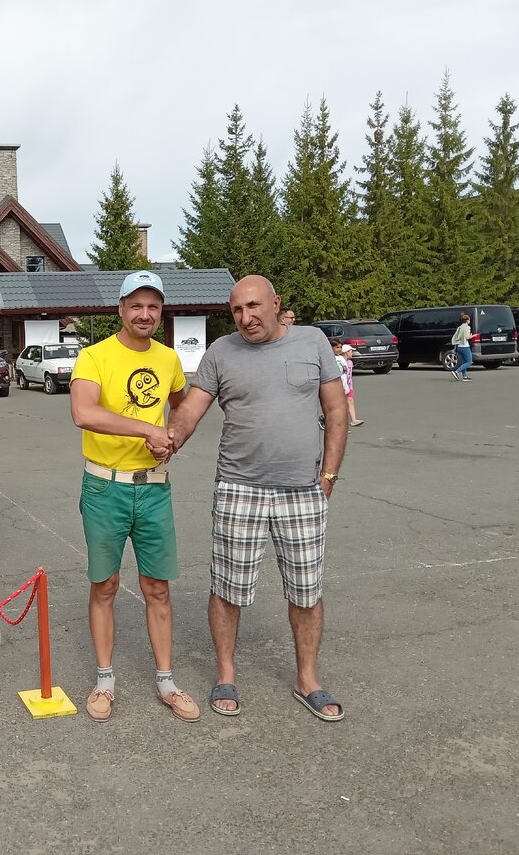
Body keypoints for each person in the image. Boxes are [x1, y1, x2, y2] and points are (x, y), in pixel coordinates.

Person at [168, 275, 348, 722]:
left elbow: (336, 411)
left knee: (306, 591)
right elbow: (191, 410)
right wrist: (166, 441)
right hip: (239, 488)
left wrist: (328, 477)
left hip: (302, 491)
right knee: (227, 589)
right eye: (237, 310)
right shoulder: (221, 352)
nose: (246, 317)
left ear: (275, 303)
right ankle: (225, 675)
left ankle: (307, 680)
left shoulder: (312, 342)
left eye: (253, 306)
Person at [69, 269, 199, 724]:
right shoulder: (94, 356)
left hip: (154, 487)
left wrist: (173, 438)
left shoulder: (168, 359)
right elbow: (83, 412)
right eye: (137, 305)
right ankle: (104, 681)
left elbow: (183, 406)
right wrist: (147, 428)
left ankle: (167, 681)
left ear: (161, 312)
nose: (145, 314)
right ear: (121, 309)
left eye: (153, 307)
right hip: (104, 486)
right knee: (104, 585)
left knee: (157, 588)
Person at [340, 344, 364, 427]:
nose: (352, 353)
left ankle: (354, 420)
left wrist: (350, 386)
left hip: (349, 386)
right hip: (341, 387)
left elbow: (349, 376)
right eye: (350, 351)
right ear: (346, 352)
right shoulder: (340, 362)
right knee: (339, 404)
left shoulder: (350, 362)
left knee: (350, 401)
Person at [451, 313, 474, 380]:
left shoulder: (459, 327)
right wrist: (472, 336)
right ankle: (456, 372)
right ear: (467, 320)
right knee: (469, 361)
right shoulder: (467, 327)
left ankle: (464, 376)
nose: (469, 321)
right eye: (469, 319)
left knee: (463, 362)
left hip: (459, 346)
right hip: (465, 346)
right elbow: (467, 337)